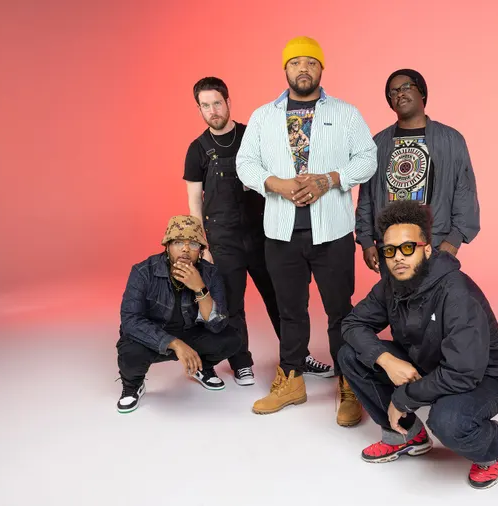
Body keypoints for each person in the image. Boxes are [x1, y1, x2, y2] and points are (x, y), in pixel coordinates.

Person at [236, 36, 377, 425]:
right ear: (285, 69)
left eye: (311, 62)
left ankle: (349, 382)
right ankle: (292, 381)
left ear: (321, 69)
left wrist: (329, 179)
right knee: (290, 310)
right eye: (296, 62)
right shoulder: (263, 116)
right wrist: (276, 184)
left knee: (340, 310)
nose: (303, 68)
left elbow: (368, 158)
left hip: (332, 232)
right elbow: (245, 163)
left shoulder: (346, 113)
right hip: (281, 232)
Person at [339, 201, 498, 489]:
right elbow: (352, 324)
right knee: (351, 355)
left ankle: (490, 449)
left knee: (448, 421)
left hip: (483, 377)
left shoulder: (456, 292)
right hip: (429, 364)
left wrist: (403, 398)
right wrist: (385, 359)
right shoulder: (389, 285)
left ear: (426, 249)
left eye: (407, 247)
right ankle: (407, 435)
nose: (398, 257)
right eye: (390, 250)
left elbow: (463, 372)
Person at [185, 76, 321, 386]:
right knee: (232, 304)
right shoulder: (197, 150)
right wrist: (201, 245)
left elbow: (277, 175)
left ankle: (299, 357)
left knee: (280, 297)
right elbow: (194, 201)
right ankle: (241, 363)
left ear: (228, 102)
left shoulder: (252, 135)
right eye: (205, 106)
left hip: (263, 233)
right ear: (199, 109)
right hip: (223, 239)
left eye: (217, 103)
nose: (213, 111)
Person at [355, 69, 480, 277]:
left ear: (422, 92)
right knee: (394, 298)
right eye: (393, 92)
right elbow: (366, 196)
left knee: (437, 297)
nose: (399, 94)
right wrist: (367, 241)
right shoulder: (378, 144)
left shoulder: (450, 139)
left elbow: (464, 191)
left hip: (435, 244)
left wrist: (454, 239)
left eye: (406, 87)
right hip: (391, 247)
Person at [115, 215, 242, 413]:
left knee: (231, 339)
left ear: (200, 250)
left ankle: (201, 367)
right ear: (167, 246)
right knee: (130, 352)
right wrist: (174, 343)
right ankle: (133, 385)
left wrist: (200, 288)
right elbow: (130, 321)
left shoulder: (210, 273)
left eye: (193, 243)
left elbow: (217, 324)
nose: (185, 249)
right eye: (178, 242)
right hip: (154, 336)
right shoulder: (143, 271)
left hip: (191, 333)